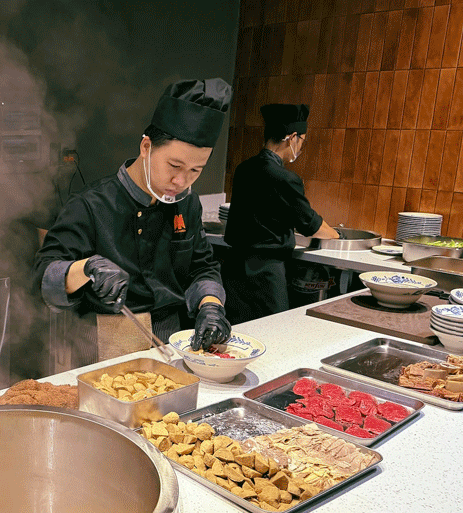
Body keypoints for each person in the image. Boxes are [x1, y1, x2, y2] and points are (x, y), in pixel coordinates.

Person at [33, 78, 233, 368]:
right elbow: (43, 274)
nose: (181, 181)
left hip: (172, 338)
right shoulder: (91, 205)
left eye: (195, 170)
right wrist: (86, 268)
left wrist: (211, 306)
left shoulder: (187, 203)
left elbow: (201, 267)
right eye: (174, 166)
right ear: (146, 147)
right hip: (104, 341)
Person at [222, 103, 339, 324]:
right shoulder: (285, 178)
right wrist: (336, 236)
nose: (301, 147)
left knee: (237, 333)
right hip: (265, 274)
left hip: (234, 268)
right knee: (272, 333)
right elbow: (310, 224)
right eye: (302, 141)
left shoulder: (244, 168)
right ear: (292, 137)